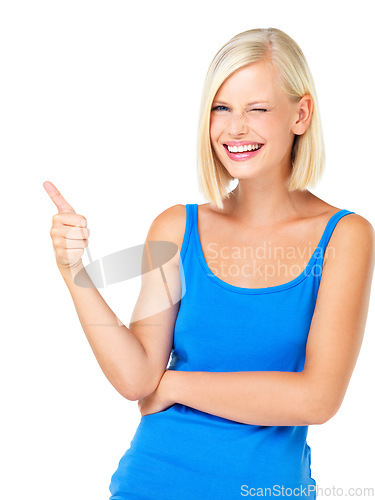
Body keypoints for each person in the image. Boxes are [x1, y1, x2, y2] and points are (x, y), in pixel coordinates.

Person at [44, 27, 375, 499]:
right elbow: (138, 378)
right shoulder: (176, 228)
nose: (235, 128)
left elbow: (317, 399)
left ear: (300, 114)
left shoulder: (345, 237)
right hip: (151, 482)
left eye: (257, 109)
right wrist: (73, 271)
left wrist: (176, 386)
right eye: (222, 109)